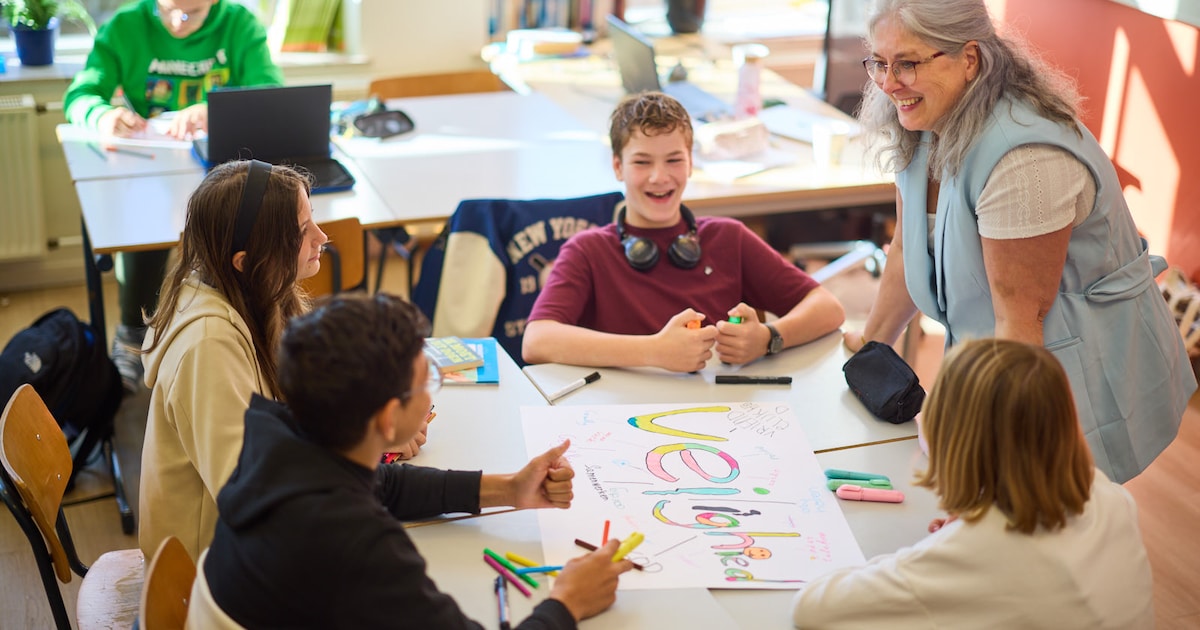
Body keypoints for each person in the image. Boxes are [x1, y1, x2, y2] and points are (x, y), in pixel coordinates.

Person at [843, 0, 1195, 483]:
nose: (887, 82)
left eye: (907, 62)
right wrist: (869, 352)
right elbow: (908, 249)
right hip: (998, 361)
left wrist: (982, 445)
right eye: (879, 63)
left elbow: (1019, 325)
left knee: (1053, 529)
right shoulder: (926, 122)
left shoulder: (1026, 158)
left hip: (1067, 378)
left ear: (970, 59)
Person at [198, 293, 634, 628]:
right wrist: (567, 603)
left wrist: (508, 489)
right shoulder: (361, 547)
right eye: (426, 382)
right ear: (389, 418)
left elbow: (382, 483)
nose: (431, 393)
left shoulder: (278, 440)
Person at [137, 160, 428, 561]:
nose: (322, 237)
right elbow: (256, 496)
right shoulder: (208, 347)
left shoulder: (254, 294)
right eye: (301, 232)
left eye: (313, 220)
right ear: (246, 260)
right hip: (208, 571)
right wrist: (366, 446)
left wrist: (367, 428)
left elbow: (291, 415)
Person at [792, 338, 1154, 628]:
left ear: (956, 443)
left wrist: (941, 549)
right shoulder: (1109, 495)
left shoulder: (977, 551)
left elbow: (813, 609)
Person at [523, 92, 845, 372]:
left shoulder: (728, 238)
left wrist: (769, 337)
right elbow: (537, 340)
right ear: (618, 167)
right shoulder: (588, 251)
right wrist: (653, 351)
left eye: (674, 160)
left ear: (691, 163)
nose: (659, 176)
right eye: (642, 162)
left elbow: (828, 308)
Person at [63, 0, 284, 392]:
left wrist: (212, 110)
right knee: (141, 229)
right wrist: (101, 115)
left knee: (242, 230)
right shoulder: (125, 27)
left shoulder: (239, 24)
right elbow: (81, 93)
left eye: (193, 14)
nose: (180, 24)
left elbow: (269, 93)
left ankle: (244, 326)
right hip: (152, 168)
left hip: (223, 168)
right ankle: (133, 329)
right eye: (170, 13)